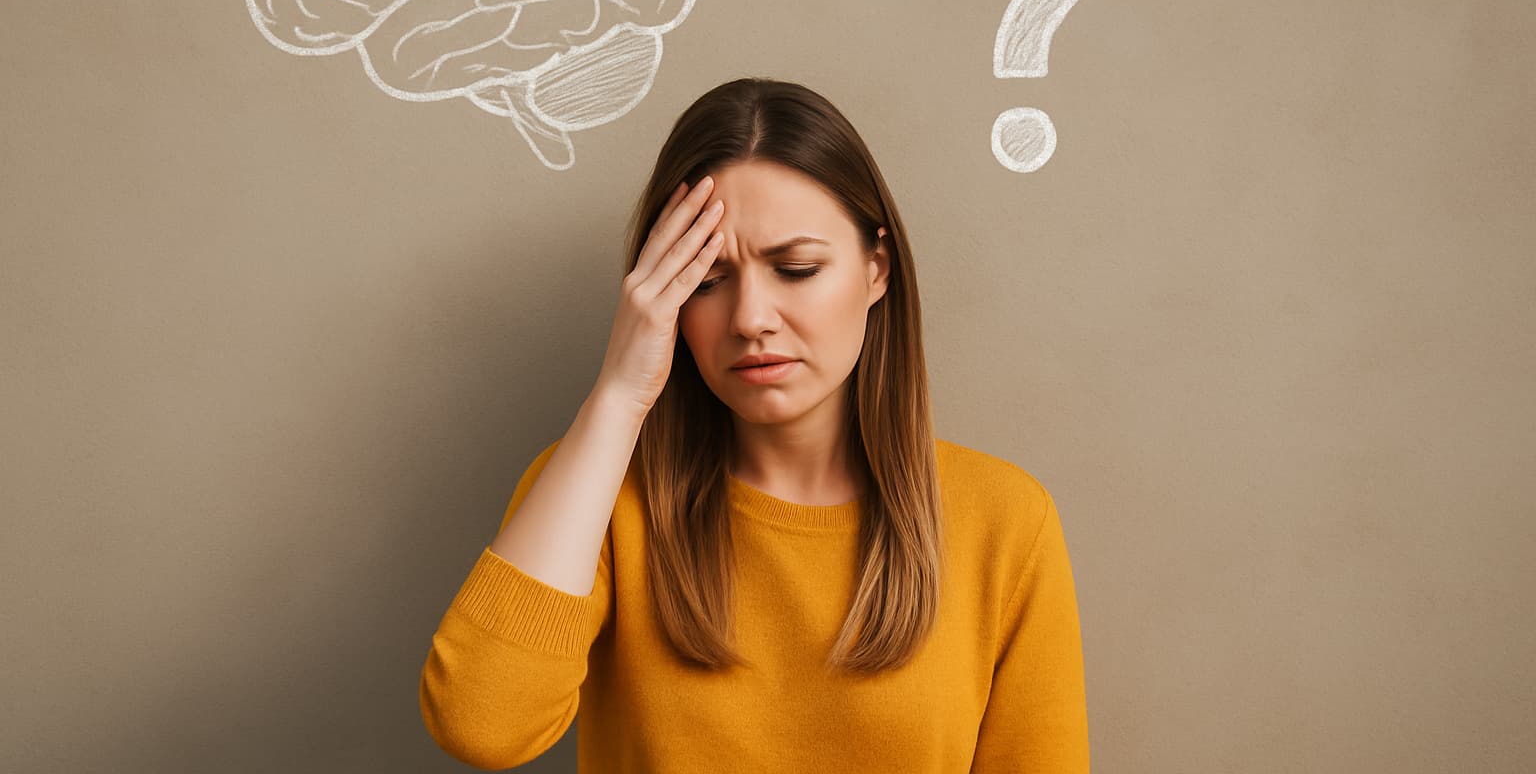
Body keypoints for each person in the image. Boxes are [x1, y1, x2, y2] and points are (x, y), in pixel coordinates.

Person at [418, 77, 1089, 772]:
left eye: (796, 269)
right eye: (707, 280)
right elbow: (479, 725)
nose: (749, 319)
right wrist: (619, 395)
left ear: (877, 270)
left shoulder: (1005, 521)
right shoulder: (599, 495)